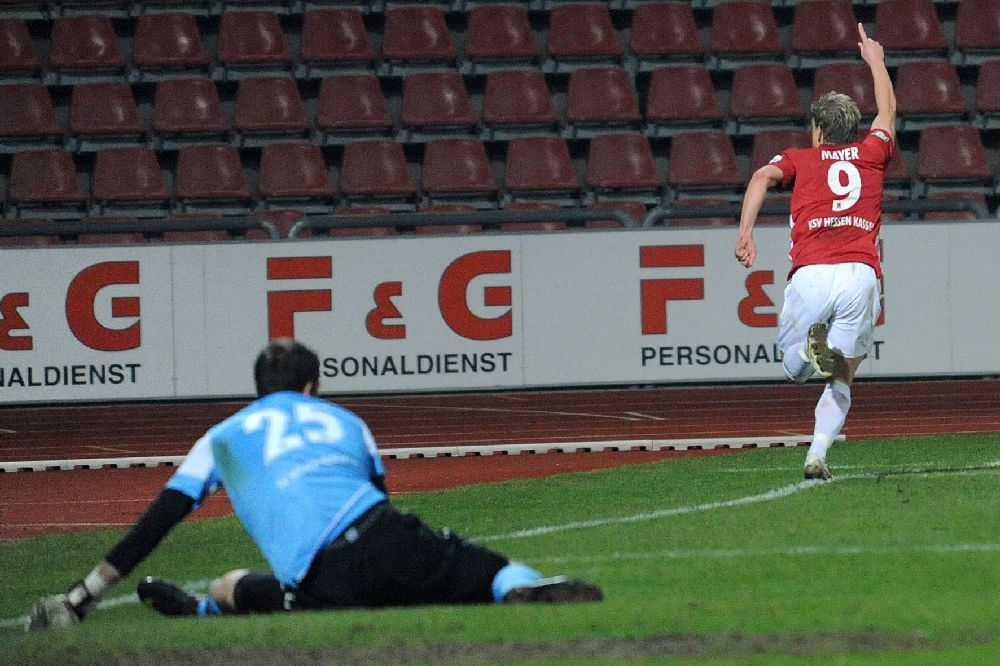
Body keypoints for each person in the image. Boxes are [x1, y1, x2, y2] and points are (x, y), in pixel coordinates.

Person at [27, 339, 601, 629]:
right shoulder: (345, 420)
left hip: (325, 576)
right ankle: (523, 585)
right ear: (309, 387)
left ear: (260, 389)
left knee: (232, 586)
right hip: (389, 536)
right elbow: (380, 494)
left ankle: (201, 608)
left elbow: (157, 522)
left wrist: (82, 596)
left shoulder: (222, 436)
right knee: (486, 567)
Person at [734, 23, 896, 481]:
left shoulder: (798, 159)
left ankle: (808, 355)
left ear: (820, 131)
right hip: (860, 276)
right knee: (845, 373)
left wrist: (746, 232)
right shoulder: (872, 153)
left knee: (794, 370)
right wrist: (876, 61)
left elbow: (760, 178)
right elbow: (888, 111)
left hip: (811, 274)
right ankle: (817, 453)